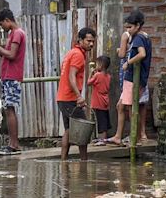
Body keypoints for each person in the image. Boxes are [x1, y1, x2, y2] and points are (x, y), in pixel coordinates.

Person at [106, 10, 152, 146]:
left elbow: (142, 54)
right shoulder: (144, 37)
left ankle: (135, 138)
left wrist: (128, 62)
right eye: (126, 27)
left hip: (133, 79)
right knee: (120, 106)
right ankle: (118, 136)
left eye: (130, 27)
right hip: (133, 79)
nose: (128, 30)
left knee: (132, 110)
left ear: (137, 26)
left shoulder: (138, 38)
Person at [0, 8, 26, 155]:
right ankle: (12, 143)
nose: (1, 27)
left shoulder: (17, 34)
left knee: (10, 109)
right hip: (8, 76)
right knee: (8, 109)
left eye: (1, 24)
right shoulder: (13, 34)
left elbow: (11, 54)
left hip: (12, 76)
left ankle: (14, 144)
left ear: (7, 21)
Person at [57, 27, 96, 160]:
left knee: (68, 129)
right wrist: (79, 96)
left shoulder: (72, 52)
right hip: (70, 99)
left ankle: (63, 161)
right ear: (80, 40)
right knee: (82, 129)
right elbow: (71, 76)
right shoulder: (78, 55)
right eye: (88, 41)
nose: (91, 44)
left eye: (93, 42)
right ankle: (84, 162)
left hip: (63, 97)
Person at [88, 56, 111, 142]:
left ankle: (103, 140)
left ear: (101, 65)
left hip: (98, 102)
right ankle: (101, 139)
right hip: (105, 101)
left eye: (97, 64)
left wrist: (91, 73)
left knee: (101, 122)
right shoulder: (108, 76)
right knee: (104, 120)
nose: (96, 66)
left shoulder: (97, 75)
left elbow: (88, 83)